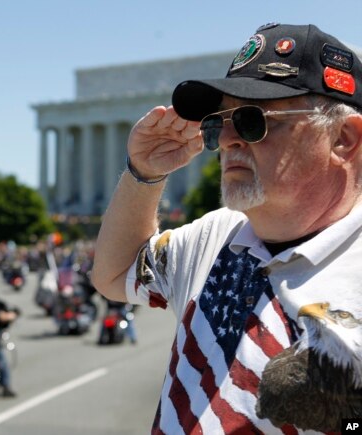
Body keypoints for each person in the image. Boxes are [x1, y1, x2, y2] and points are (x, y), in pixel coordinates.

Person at [90, 23, 362, 434]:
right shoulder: (219, 234)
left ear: (344, 139)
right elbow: (115, 273)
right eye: (220, 123)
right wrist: (144, 174)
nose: (230, 139)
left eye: (254, 121)